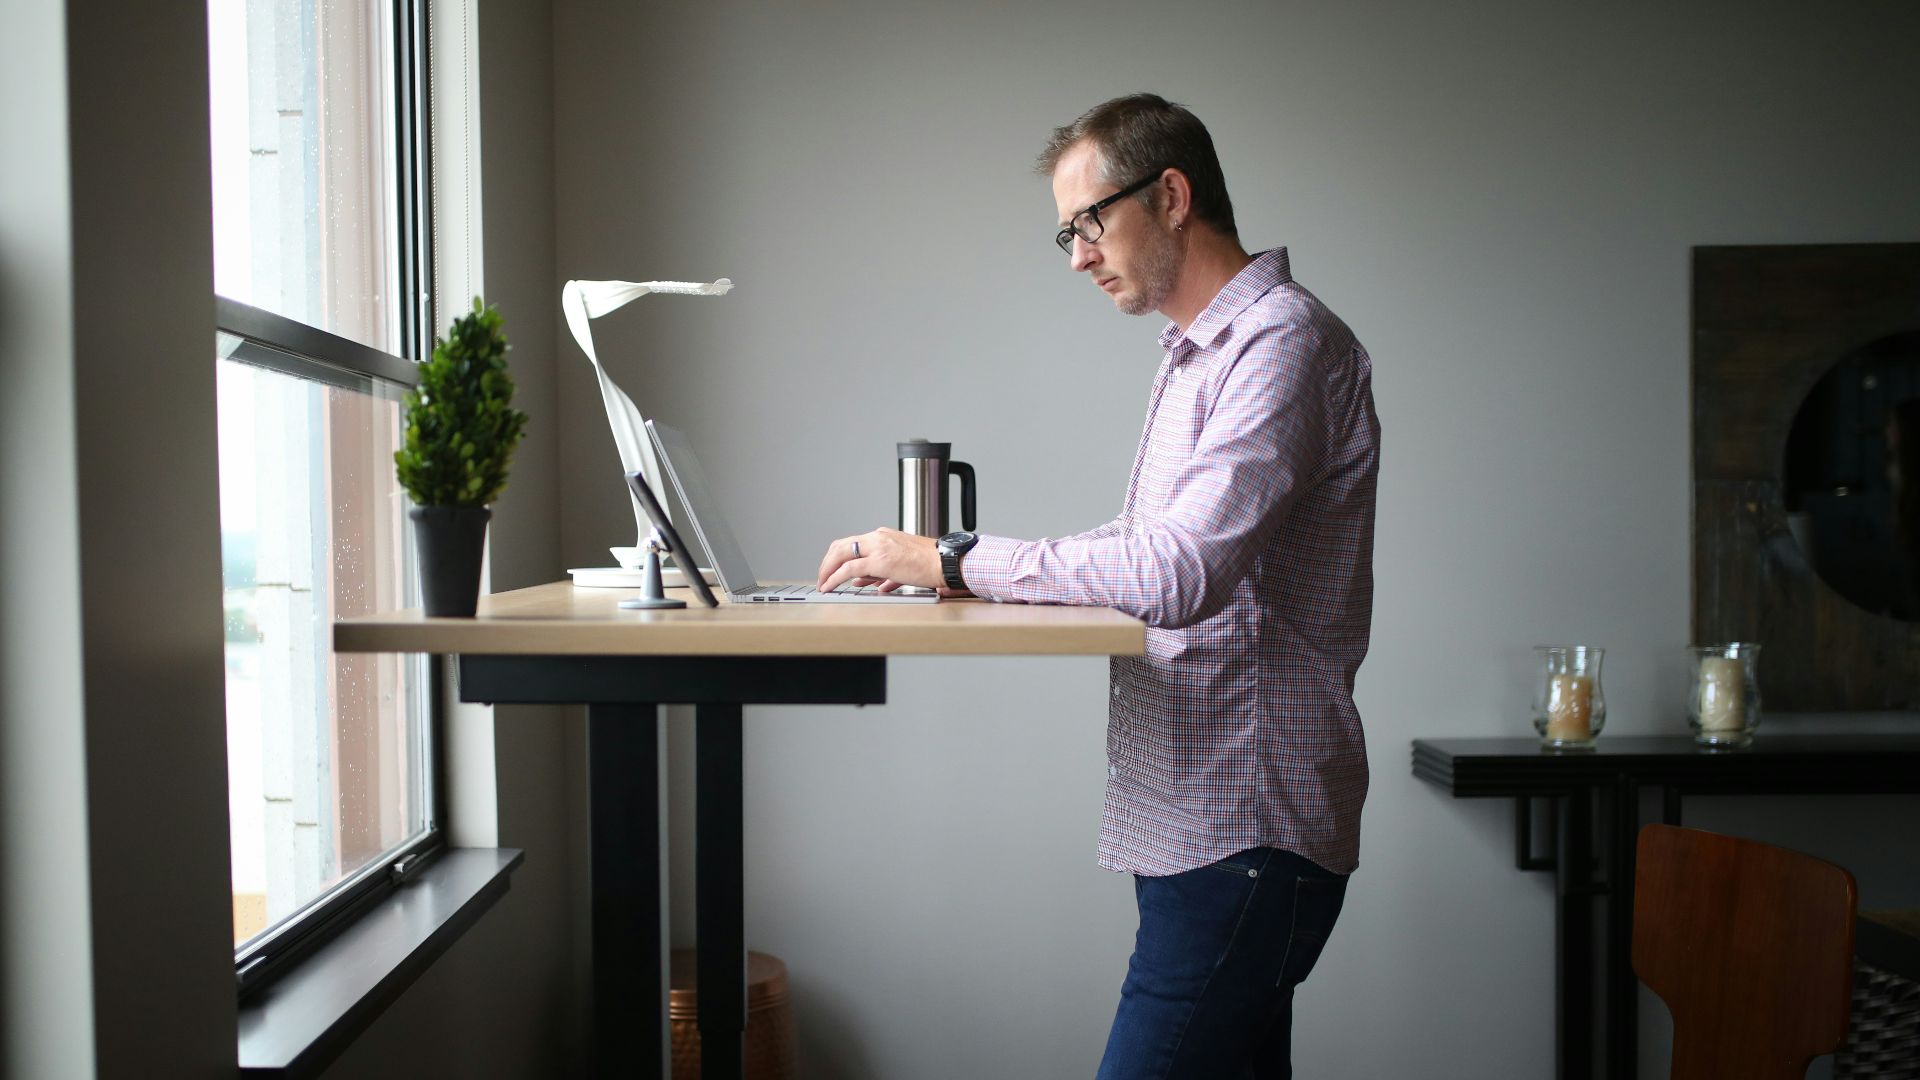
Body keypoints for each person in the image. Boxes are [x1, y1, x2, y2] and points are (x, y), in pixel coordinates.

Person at [815, 92, 1379, 1079]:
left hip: (1242, 831)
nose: (1077, 254)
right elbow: (1143, 543)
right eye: (1065, 232)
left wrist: (952, 558)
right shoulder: (1201, 352)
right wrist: (959, 575)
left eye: (1090, 222)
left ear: (1169, 195)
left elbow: (1176, 570)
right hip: (1200, 828)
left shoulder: (1279, 346)